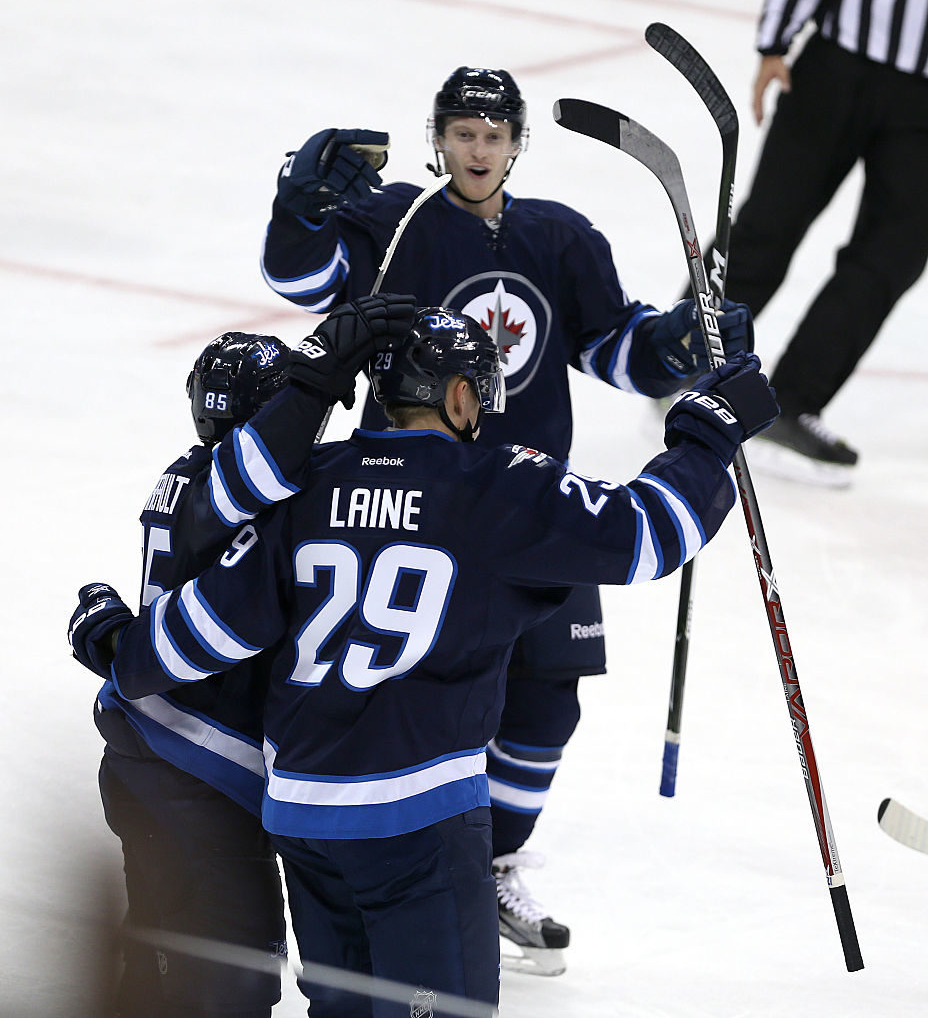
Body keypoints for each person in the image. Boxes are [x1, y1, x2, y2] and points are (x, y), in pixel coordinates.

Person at [68, 305, 779, 1018]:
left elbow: (202, 634)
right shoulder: (495, 484)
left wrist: (115, 648)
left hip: (304, 817)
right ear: (460, 396)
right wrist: (709, 430)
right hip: (418, 823)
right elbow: (651, 534)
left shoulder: (305, 480)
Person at [258, 66, 756, 972]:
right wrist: (297, 210)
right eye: (461, 133)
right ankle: (380, 859)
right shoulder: (398, 221)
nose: (476, 151)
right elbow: (299, 278)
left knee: (546, 701)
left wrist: (681, 344)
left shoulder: (559, 237)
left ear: (516, 142)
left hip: (527, 499)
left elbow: (614, 348)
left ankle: (488, 864)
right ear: (437, 137)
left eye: (493, 135)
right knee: (407, 691)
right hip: (415, 496)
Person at [90, 296, 416, 1017]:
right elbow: (268, 470)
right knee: (226, 983)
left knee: (174, 956)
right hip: (188, 771)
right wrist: (326, 366)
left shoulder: (200, 478)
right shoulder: (232, 489)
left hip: (167, 757)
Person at [720, 0, 928, 487]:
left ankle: (791, 404)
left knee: (890, 258)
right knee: (772, 222)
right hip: (836, 66)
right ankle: (685, 356)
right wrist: (774, 43)